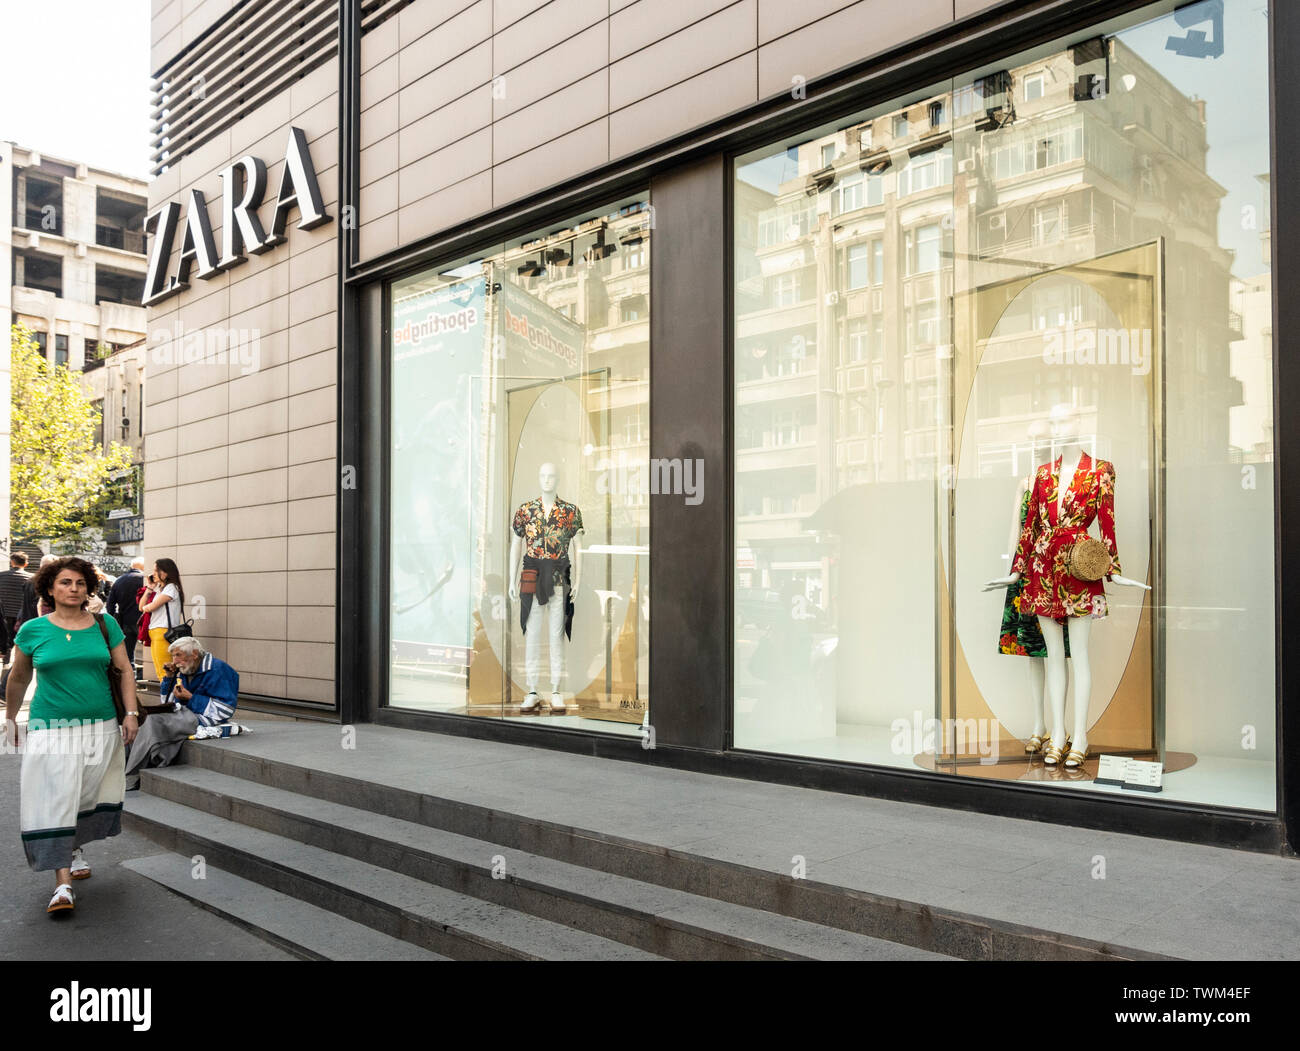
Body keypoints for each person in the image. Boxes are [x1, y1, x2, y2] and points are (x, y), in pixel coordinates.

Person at [4, 556, 139, 916]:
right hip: (51, 727)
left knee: (87, 792)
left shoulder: (104, 624)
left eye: (80, 583)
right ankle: (62, 882)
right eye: (65, 583)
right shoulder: (33, 630)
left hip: (101, 725)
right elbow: (18, 677)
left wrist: (130, 714)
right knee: (54, 795)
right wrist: (11, 717)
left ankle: (75, 846)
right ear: (50, 588)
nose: (73, 589)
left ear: (88, 589)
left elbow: (125, 670)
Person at [124, 636, 238, 790]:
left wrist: (191, 698)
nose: (175, 660)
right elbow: (167, 703)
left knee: (152, 723)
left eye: (178, 655)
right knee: (144, 718)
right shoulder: (188, 668)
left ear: (194, 654)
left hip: (205, 718)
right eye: (173, 656)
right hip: (183, 714)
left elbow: (226, 710)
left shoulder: (218, 669)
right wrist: (169, 679)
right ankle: (128, 766)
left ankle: (131, 774)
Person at [138, 558, 186, 682]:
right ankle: (169, 697)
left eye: (156, 570)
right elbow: (141, 607)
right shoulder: (160, 589)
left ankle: (175, 697)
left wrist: (146, 607)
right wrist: (149, 588)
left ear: (166, 573)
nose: (153, 573)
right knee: (161, 670)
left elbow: (151, 607)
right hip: (155, 632)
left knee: (166, 671)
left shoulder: (172, 588)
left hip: (163, 632)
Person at [107, 558, 145, 681]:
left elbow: (110, 604)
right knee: (149, 650)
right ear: (142, 567)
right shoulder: (144, 580)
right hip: (144, 621)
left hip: (126, 621)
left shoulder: (119, 581)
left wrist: (112, 620)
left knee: (129, 654)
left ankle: (130, 678)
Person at [0, 552, 32, 658]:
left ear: (12, 562)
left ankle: (5, 659)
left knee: (5, 640)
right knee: (17, 642)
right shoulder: (31, 578)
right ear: (26, 564)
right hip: (21, 616)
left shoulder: (1, 576)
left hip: (3, 614)